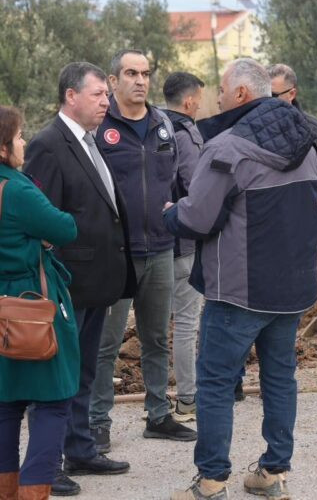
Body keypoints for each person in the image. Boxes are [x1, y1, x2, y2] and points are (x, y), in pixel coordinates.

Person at [165, 58, 317, 500]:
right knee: (279, 377)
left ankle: (212, 481)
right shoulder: (306, 144)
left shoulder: (227, 148)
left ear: (241, 96)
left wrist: (171, 215)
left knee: (214, 381)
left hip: (239, 291)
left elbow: (198, 217)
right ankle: (273, 473)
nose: (215, 96)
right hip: (291, 289)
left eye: (221, 88)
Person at [24, 63, 134, 496]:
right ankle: (46, 464)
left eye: (107, 95)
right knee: (58, 375)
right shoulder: (48, 145)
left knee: (85, 370)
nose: (107, 102)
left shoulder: (91, 142)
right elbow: (44, 218)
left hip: (98, 280)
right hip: (69, 282)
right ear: (71, 96)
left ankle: (81, 448)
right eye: (98, 94)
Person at [89, 50, 196, 449]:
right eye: (131, 73)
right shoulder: (100, 128)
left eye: (146, 73)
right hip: (117, 254)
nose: (140, 80)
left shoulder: (164, 125)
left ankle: (158, 415)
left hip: (161, 249)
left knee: (156, 338)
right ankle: (98, 422)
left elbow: (181, 184)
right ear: (113, 81)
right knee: (107, 343)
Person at [0, 106, 79, 500]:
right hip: (30, 304)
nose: (23, 143)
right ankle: (33, 493)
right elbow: (64, 227)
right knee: (54, 400)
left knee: (5, 401)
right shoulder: (16, 188)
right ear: (1, 147)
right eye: (17, 137)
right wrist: (37, 239)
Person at [163, 72, 205, 422]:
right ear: (189, 101)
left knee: (155, 326)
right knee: (188, 323)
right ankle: (188, 400)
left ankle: (156, 403)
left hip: (151, 243)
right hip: (183, 241)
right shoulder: (187, 133)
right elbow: (197, 188)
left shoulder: (153, 127)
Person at [267, 63, 317, 207]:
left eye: (273, 96)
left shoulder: (315, 129)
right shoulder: (253, 128)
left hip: (302, 215)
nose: (267, 101)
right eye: (264, 95)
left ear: (292, 94)